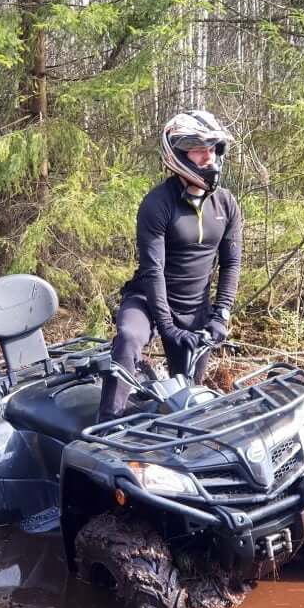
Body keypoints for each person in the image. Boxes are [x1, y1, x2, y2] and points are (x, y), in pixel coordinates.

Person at [98, 110, 242, 421]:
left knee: (189, 395)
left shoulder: (227, 203)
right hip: (148, 301)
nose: (208, 157)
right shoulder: (157, 203)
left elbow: (231, 263)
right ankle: (106, 427)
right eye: (199, 149)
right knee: (128, 338)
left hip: (195, 308)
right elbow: (153, 270)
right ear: (177, 154)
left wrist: (221, 315)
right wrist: (167, 327)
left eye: (213, 148)